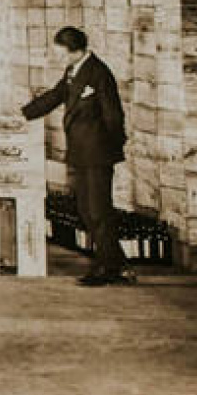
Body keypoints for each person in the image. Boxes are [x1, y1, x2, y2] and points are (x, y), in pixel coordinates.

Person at [23, 26, 132, 286]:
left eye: (61, 54)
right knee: (86, 209)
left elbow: (113, 115)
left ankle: (107, 268)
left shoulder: (98, 73)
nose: (59, 59)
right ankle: (117, 263)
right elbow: (55, 95)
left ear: (77, 51)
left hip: (97, 153)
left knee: (98, 210)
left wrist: (112, 149)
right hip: (81, 151)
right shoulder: (73, 71)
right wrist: (22, 114)